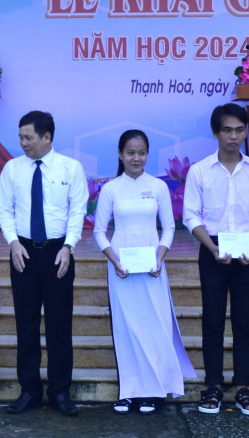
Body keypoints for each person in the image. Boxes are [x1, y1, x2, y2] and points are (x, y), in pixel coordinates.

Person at [94, 129, 195, 415]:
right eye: (130, 153)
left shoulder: (158, 187)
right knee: (126, 329)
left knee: (154, 327)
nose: (136, 158)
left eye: (141, 153)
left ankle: (153, 391)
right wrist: (114, 260)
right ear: (120, 155)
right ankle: (129, 392)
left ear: (147, 154)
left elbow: (170, 227)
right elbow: (100, 231)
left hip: (153, 268)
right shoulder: (111, 189)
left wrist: (160, 257)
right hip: (121, 270)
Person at [182, 104, 249, 416]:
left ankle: (244, 386)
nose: (233, 136)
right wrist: (211, 248)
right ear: (215, 133)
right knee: (213, 321)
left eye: (239, 130)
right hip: (213, 251)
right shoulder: (200, 171)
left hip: (247, 252)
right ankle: (214, 386)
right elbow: (191, 215)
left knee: (244, 321)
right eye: (227, 130)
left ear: (246, 132)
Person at [0, 110, 88, 416]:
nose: (23, 143)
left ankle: (60, 392)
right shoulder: (12, 169)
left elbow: (77, 210)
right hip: (23, 252)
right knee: (26, 324)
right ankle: (30, 391)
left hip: (58, 253)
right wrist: (12, 242)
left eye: (29, 137)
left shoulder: (70, 168)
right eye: (20, 137)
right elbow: (3, 208)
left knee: (59, 326)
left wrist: (68, 246)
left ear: (47, 137)